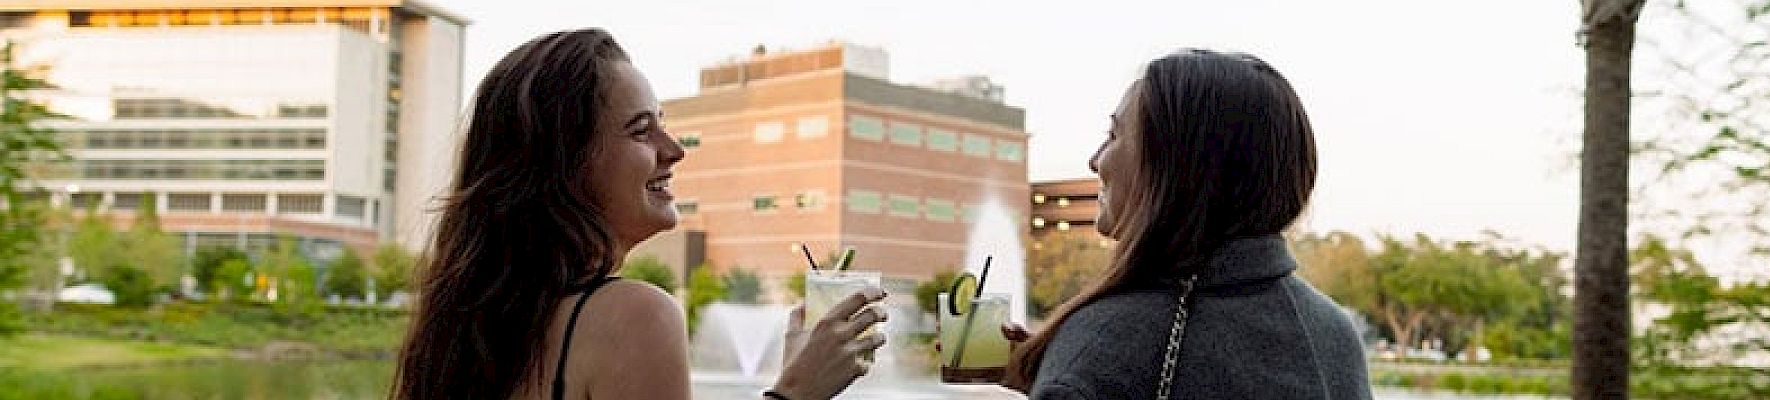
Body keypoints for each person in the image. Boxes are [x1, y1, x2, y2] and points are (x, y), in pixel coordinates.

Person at [391, 28, 888, 400]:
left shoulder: (460, 332)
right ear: (567, 162)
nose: (673, 150)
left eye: (663, 126)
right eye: (639, 130)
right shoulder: (633, 316)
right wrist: (797, 392)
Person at [999, 50, 1373, 399]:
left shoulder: (1105, 346)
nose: (1094, 161)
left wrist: (1073, 372)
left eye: (1112, 136)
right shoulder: (1334, 334)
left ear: (1173, 168)